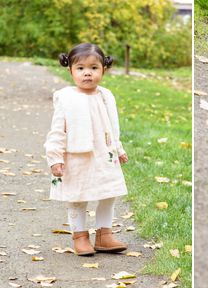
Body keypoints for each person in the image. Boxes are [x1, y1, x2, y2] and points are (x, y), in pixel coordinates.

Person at [44, 43, 129, 256]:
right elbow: (57, 131)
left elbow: (112, 126)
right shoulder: (66, 98)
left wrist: (118, 149)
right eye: (80, 68)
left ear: (104, 70)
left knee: (109, 193)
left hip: (104, 155)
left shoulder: (106, 96)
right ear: (70, 70)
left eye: (94, 68)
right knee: (77, 197)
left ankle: (104, 234)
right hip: (77, 157)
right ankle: (80, 236)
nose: (87, 73)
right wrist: (55, 157)